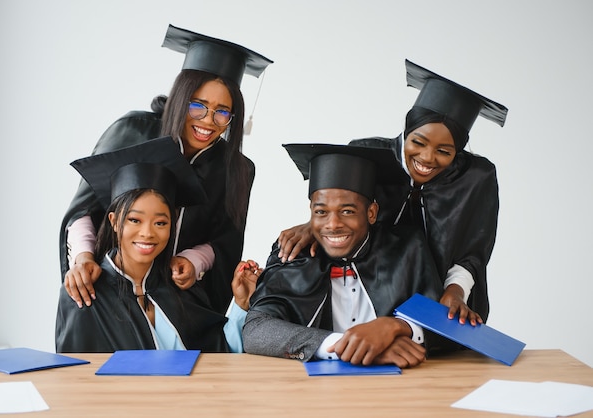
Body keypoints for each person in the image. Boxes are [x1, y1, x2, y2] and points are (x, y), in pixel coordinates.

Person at [59, 25, 273, 314]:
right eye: (198, 106)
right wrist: (84, 258)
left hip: (180, 304)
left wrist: (194, 260)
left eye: (223, 112)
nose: (209, 121)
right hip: (111, 292)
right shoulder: (134, 131)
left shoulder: (237, 168)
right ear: (179, 97)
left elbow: (225, 242)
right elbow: (84, 210)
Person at [277, 60, 508, 324]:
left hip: (443, 301)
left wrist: (455, 291)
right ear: (406, 132)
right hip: (372, 295)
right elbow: (339, 206)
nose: (427, 158)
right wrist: (313, 225)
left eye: (444, 151)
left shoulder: (475, 177)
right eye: (417, 142)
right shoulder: (369, 156)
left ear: (458, 151)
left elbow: (473, 251)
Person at [243, 143, 444, 368]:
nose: (333, 224)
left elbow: (441, 318)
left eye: (347, 211)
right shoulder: (292, 253)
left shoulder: (407, 247)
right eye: (321, 212)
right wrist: (344, 346)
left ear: (371, 213)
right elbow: (256, 330)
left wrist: (396, 327)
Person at [55, 137, 262, 353]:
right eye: (135, 220)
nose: (147, 233)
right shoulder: (84, 294)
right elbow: (75, 378)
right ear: (114, 222)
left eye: (161, 223)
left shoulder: (180, 290)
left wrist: (241, 305)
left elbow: (221, 356)